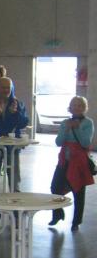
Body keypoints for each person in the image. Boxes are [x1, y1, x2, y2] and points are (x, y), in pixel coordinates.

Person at [50, 96, 94, 231]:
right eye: (74, 105)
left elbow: (86, 143)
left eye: (80, 105)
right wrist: (66, 130)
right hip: (64, 159)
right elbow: (58, 142)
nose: (76, 107)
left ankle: (76, 222)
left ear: (84, 108)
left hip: (79, 161)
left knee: (78, 190)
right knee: (55, 187)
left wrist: (77, 128)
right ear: (70, 107)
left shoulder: (88, 123)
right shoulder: (65, 122)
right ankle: (57, 214)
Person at [0, 76, 29, 187]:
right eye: (3, 87)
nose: (6, 90)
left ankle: (15, 196)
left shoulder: (18, 104)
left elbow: (23, 123)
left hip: (12, 147)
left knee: (14, 179)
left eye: (8, 87)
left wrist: (15, 113)